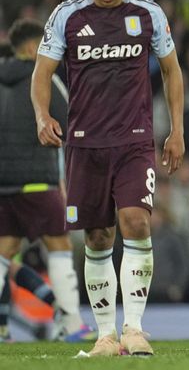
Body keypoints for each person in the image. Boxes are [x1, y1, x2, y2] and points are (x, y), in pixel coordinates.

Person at [31, 0, 185, 357]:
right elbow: (42, 72)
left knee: (136, 222)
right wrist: (43, 116)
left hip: (134, 140)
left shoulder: (148, 13)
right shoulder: (67, 15)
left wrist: (177, 130)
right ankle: (105, 335)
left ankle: (134, 328)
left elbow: (171, 71)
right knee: (97, 236)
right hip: (85, 144)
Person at [0, 18, 94, 343]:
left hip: (3, 184)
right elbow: (69, 124)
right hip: (37, 180)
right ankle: (70, 325)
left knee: (5, 250)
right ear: (31, 48)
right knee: (59, 244)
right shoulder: (41, 77)